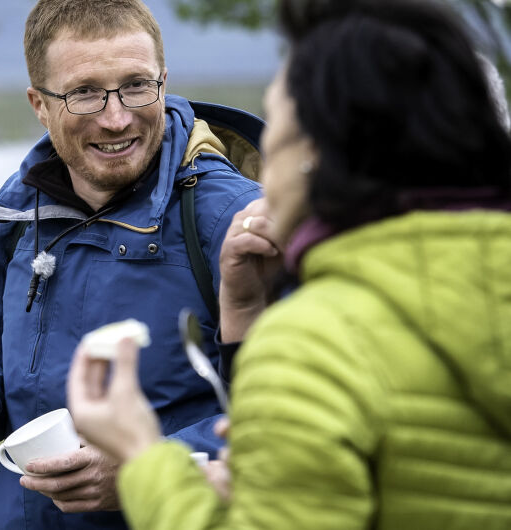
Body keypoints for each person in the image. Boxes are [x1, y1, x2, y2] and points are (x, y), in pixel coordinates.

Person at [66, 0, 511, 529]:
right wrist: (247, 315)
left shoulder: (317, 343)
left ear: (316, 157)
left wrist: (142, 455)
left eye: (274, 128)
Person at [0, 0, 264, 527]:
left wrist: (145, 469)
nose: (116, 117)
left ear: (163, 79)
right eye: (84, 92)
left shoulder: (236, 219)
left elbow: (290, 419)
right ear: (39, 104)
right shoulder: (19, 206)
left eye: (136, 84)